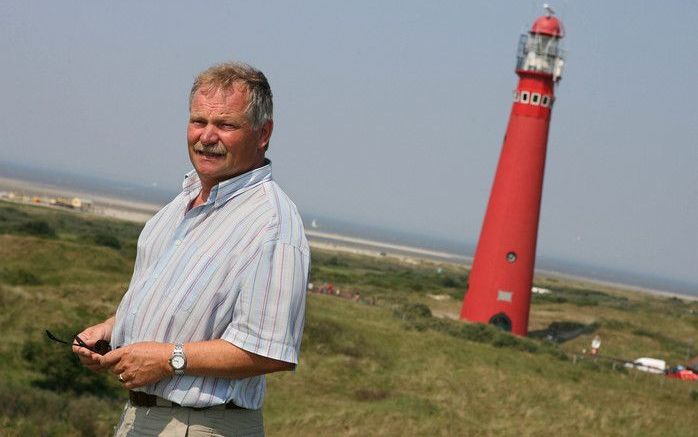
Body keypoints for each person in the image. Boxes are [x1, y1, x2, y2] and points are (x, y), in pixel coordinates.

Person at [73, 62, 309, 436]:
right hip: (141, 417)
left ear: (263, 133)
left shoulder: (272, 223)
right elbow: (175, 303)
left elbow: (270, 349)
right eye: (199, 121)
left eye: (226, 125)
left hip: (202, 425)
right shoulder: (177, 206)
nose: (207, 136)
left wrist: (169, 360)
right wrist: (110, 330)